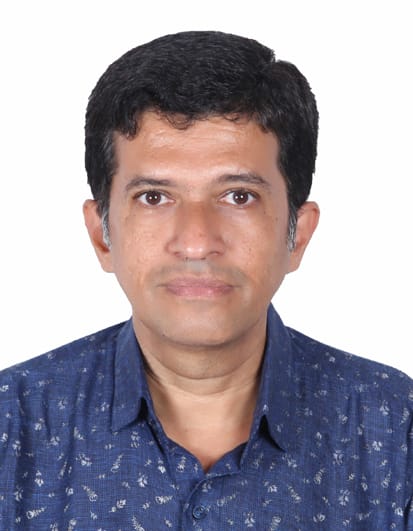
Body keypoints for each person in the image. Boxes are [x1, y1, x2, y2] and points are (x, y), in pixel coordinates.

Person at [0, 30, 411, 530]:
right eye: (154, 197)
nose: (196, 242)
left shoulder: (395, 428)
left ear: (297, 235)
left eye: (238, 196)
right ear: (101, 234)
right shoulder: (12, 426)